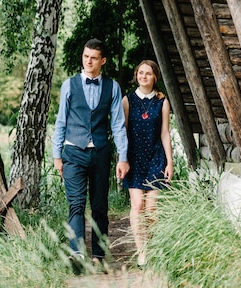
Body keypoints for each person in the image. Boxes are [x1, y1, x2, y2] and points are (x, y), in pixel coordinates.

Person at [52, 38, 130, 274]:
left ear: (102, 61)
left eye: (93, 57)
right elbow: (60, 121)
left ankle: (98, 254)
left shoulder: (112, 87)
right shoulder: (69, 85)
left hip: (100, 153)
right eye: (86, 56)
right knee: (75, 203)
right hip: (73, 152)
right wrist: (57, 155)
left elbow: (117, 125)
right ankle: (76, 253)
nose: (88, 61)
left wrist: (123, 157)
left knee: (99, 206)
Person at [122, 60, 174, 268]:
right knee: (137, 205)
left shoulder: (162, 101)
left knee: (151, 209)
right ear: (137, 75)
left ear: (155, 77)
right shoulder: (128, 100)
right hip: (134, 159)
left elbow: (165, 133)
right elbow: (122, 132)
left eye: (148, 73)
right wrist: (122, 159)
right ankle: (142, 252)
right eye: (141, 73)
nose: (144, 76)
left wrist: (169, 162)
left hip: (155, 158)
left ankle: (153, 248)